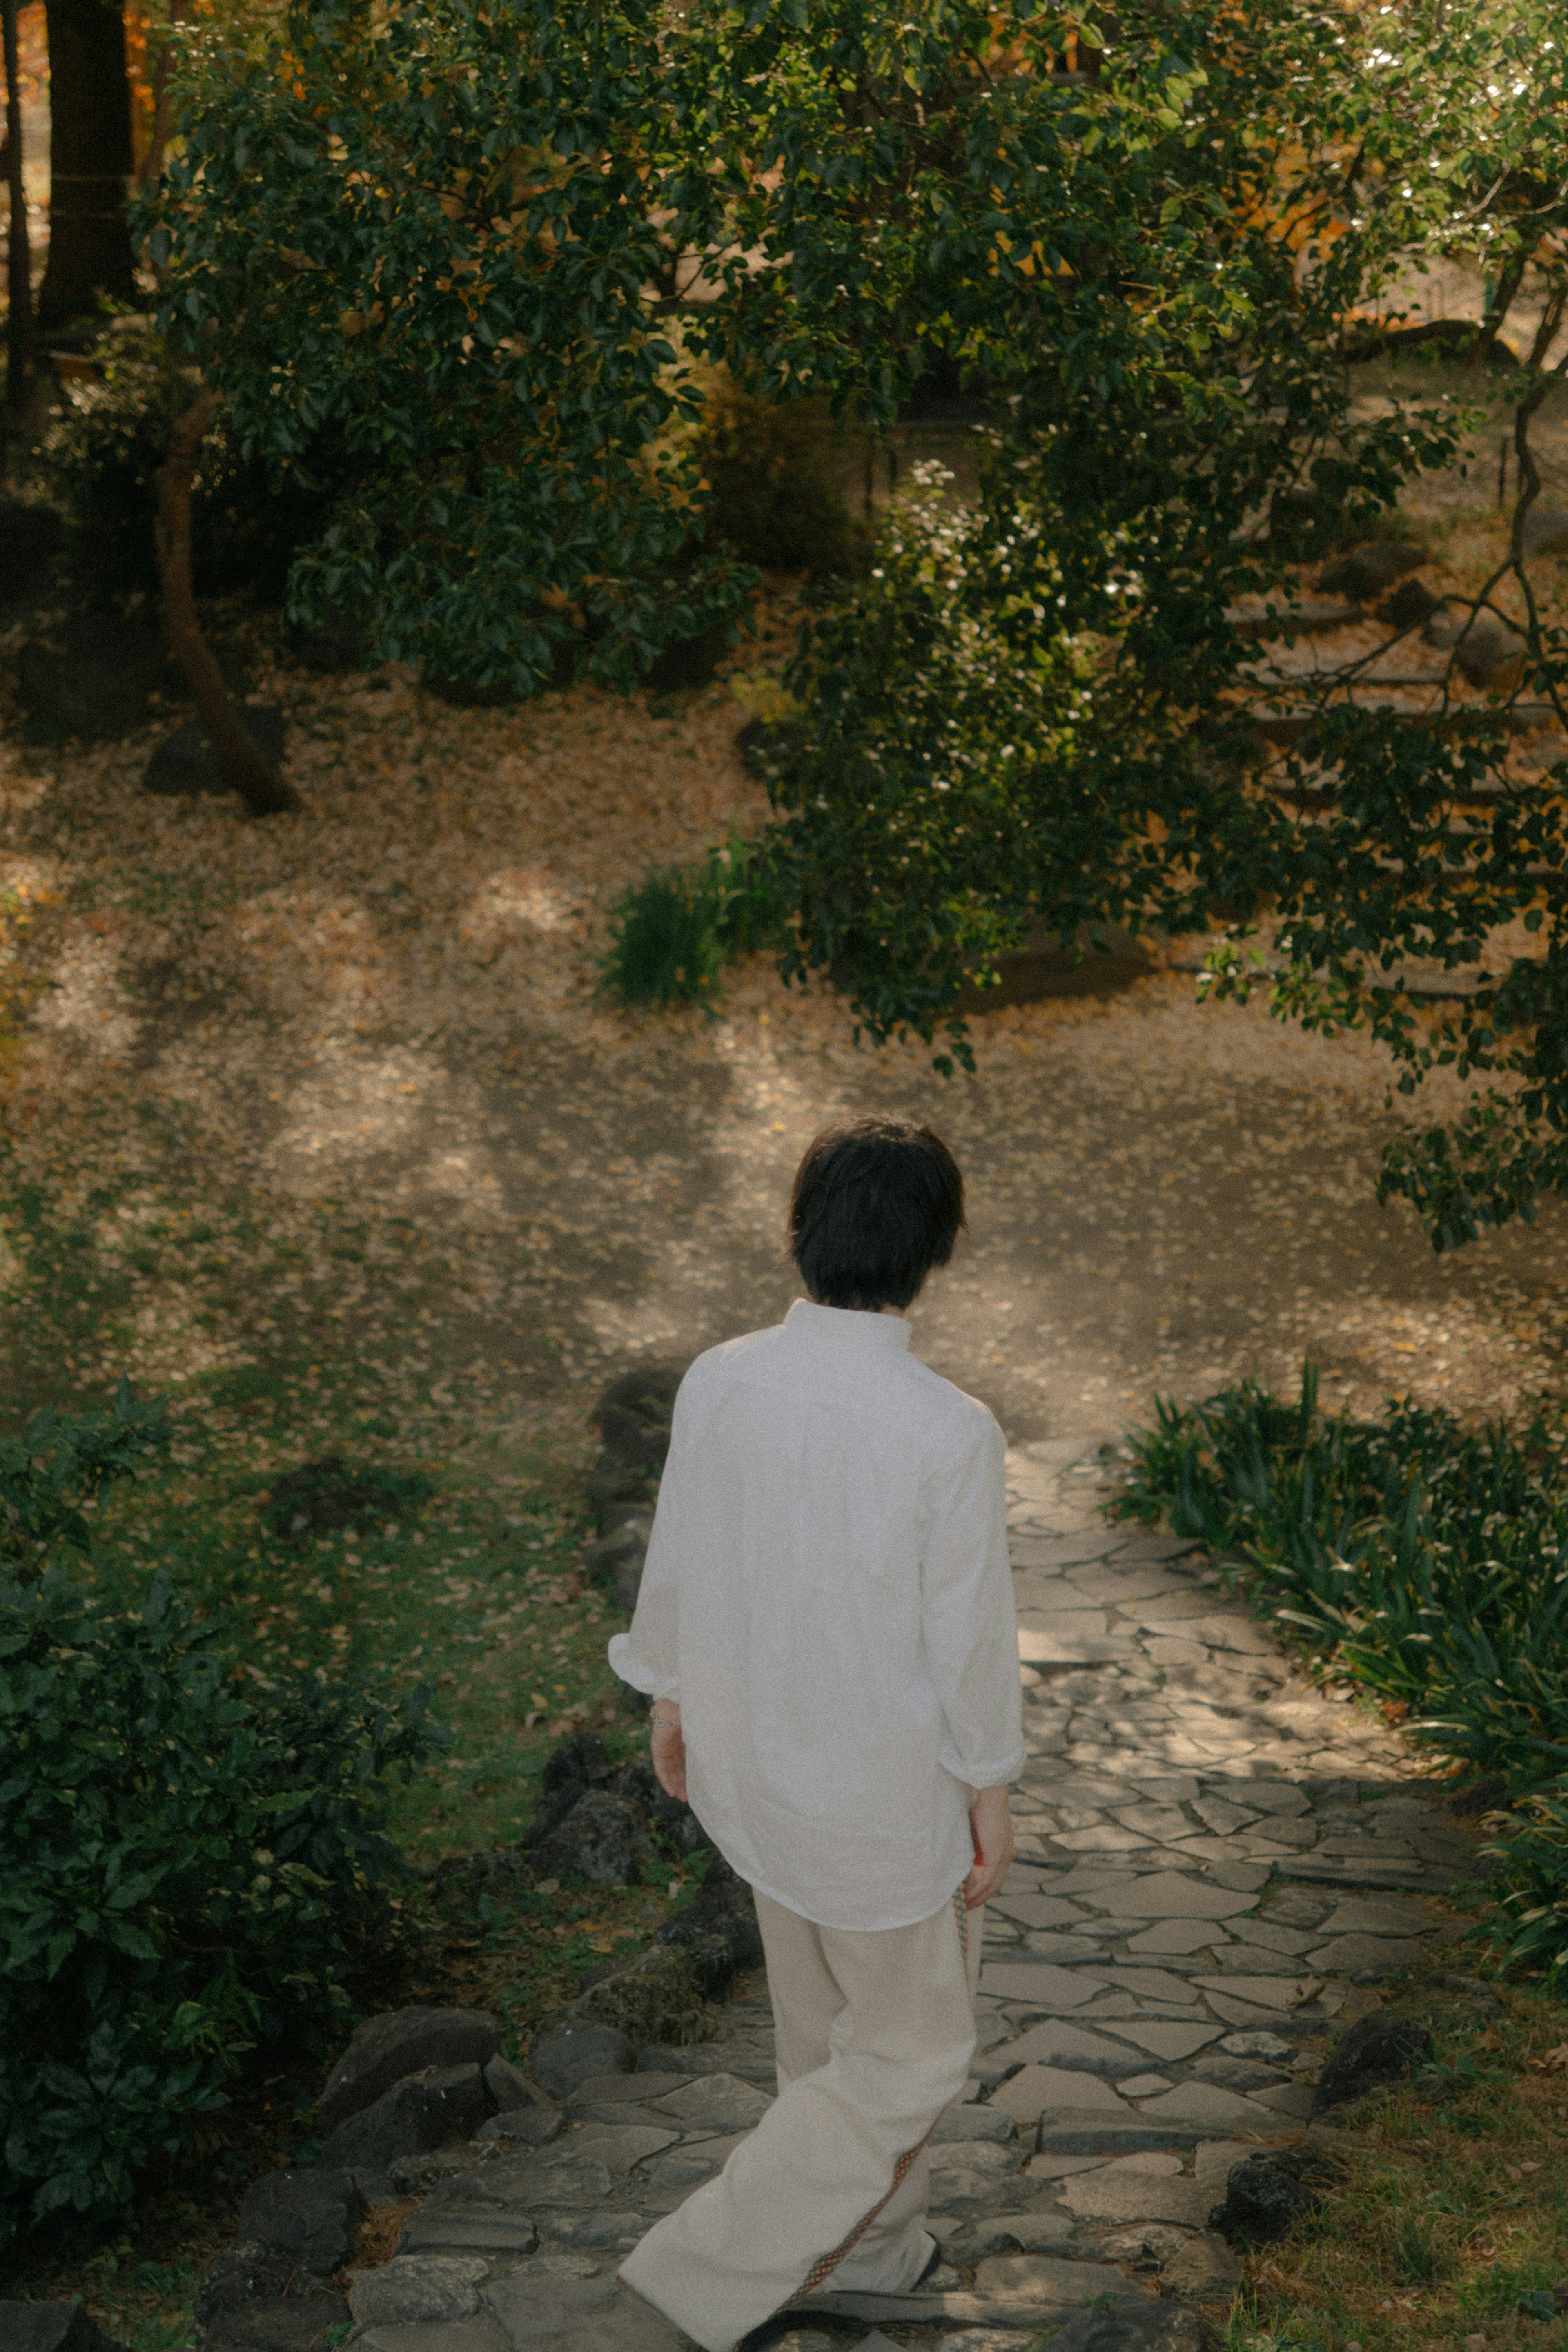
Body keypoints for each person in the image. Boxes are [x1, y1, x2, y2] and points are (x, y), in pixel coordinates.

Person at [607, 1115, 1024, 2352]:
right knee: (907, 2056)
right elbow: (969, 1640)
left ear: (801, 1231)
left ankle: (880, 2253)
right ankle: (705, 2261)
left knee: (822, 2043)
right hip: (883, 1797)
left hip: (758, 1770)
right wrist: (990, 1789)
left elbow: (678, 1553)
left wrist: (670, 1699)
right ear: (934, 1252)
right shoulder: (948, 1426)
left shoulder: (722, 1377)